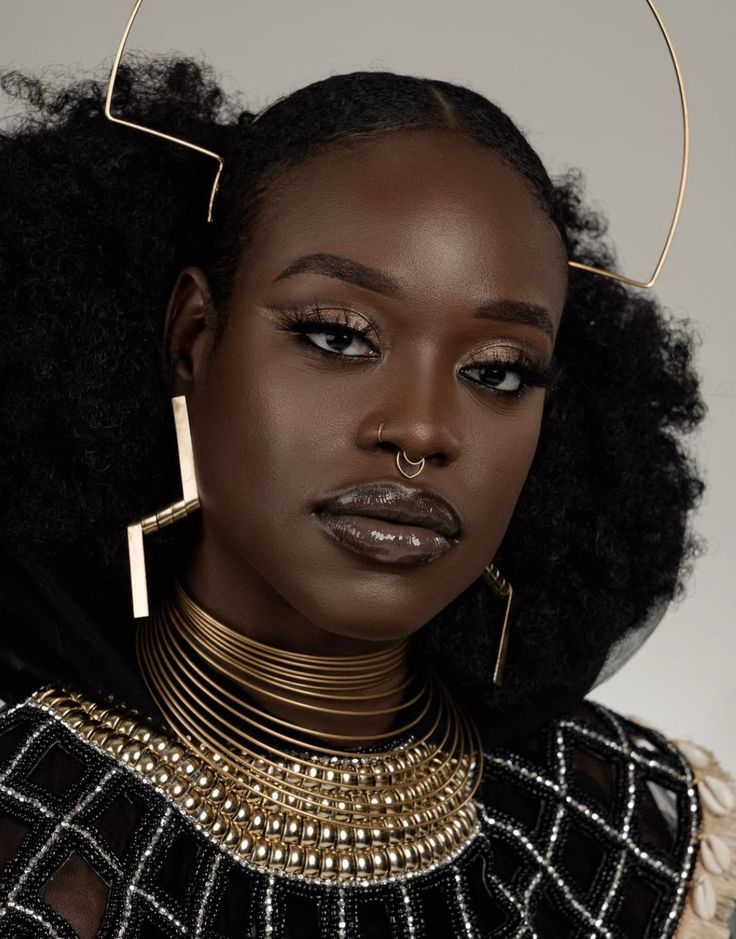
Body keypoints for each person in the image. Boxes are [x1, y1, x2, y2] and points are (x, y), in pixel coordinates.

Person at [0, 38, 733, 939]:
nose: (421, 429)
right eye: (338, 336)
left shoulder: (636, 838)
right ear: (192, 340)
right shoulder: (32, 836)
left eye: (500, 372)